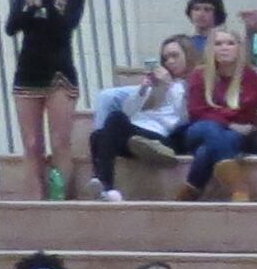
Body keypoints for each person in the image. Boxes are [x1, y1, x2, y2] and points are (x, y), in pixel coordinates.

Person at [2, 0, 86, 202]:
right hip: (28, 71)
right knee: (31, 144)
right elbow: (11, 27)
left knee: (60, 141)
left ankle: (59, 198)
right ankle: (35, 199)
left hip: (59, 72)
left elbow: (63, 27)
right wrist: (31, 1)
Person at [82, 38, 192, 204]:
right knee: (97, 135)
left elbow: (184, 116)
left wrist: (168, 86)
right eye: (166, 58)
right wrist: (143, 89)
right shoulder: (154, 84)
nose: (170, 62)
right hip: (137, 130)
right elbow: (129, 112)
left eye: (174, 56)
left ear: (187, 57)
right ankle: (108, 191)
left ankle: (105, 185)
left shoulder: (189, 85)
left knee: (115, 119)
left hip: (162, 135)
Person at [177, 28, 257, 201]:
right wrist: (228, 122)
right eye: (218, 44)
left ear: (239, 48)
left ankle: (190, 191)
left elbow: (245, 111)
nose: (224, 48)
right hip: (199, 130)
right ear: (210, 49)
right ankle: (238, 188)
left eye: (230, 43)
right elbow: (196, 111)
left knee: (207, 150)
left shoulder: (250, 76)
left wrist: (214, 114)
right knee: (209, 128)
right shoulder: (199, 74)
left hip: (237, 134)